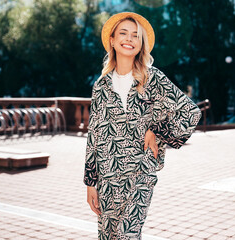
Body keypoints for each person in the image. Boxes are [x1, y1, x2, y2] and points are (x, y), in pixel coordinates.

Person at [83, 12, 202, 240]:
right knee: (109, 236)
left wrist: (159, 133)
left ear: (141, 44)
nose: (129, 39)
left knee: (127, 234)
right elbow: (93, 136)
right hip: (107, 175)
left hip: (141, 172)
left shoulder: (153, 78)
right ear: (112, 40)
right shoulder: (100, 86)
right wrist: (90, 183)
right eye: (124, 33)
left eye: (136, 35)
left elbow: (190, 112)